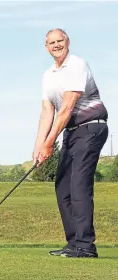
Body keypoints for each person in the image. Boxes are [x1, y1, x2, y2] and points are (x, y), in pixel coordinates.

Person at [32, 28, 109, 258]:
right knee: (63, 187)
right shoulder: (48, 75)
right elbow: (47, 112)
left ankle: (86, 246)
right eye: (51, 42)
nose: (56, 45)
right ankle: (74, 243)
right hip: (72, 133)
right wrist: (38, 146)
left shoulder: (77, 64)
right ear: (46, 47)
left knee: (78, 186)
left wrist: (49, 144)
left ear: (67, 42)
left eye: (59, 41)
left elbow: (66, 108)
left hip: (91, 126)